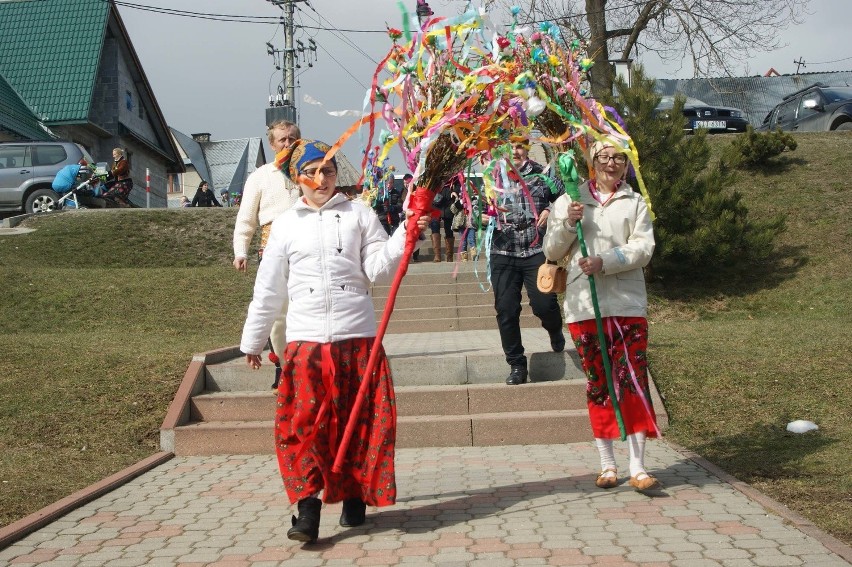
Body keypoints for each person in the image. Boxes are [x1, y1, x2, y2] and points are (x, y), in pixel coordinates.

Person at [239, 139, 430, 543]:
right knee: (303, 427)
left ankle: (354, 499)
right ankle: (307, 511)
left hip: (357, 340)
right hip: (306, 344)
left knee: (359, 423)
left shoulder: (359, 215)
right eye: (311, 172)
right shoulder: (285, 225)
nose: (321, 179)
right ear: (298, 178)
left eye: (327, 170)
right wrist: (253, 341)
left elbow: (378, 267)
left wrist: (405, 232)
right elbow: (269, 288)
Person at [543, 138, 659, 492]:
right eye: (604, 157)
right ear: (592, 163)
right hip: (584, 307)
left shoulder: (635, 202)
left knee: (632, 380)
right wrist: (566, 223)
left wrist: (605, 262)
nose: (612, 163)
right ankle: (607, 464)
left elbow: (644, 248)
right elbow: (551, 249)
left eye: (618, 158)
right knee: (598, 382)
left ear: (626, 164)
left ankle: (637, 466)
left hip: (626, 304)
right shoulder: (571, 198)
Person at [487, 141, 565, 385]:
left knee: (544, 304)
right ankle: (517, 364)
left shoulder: (543, 175)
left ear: (527, 148)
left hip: (535, 250)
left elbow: (569, 198)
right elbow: (472, 212)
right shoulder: (492, 178)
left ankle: (554, 329)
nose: (515, 152)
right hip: (503, 251)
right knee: (506, 309)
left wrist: (552, 210)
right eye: (508, 148)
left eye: (520, 146)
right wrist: (482, 214)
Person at [233, 119, 302, 362]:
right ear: (272, 144)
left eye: (292, 138)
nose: (288, 143)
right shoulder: (260, 177)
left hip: (306, 248)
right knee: (278, 310)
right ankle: (283, 366)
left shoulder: (308, 172)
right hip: (272, 247)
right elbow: (246, 219)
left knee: (303, 306)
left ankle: (304, 363)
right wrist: (241, 251)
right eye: (282, 139)